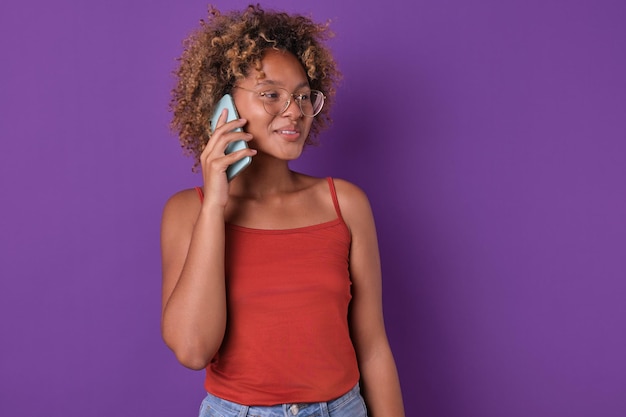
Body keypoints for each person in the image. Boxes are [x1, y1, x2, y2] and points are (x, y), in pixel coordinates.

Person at [161, 4, 405, 417]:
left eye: (303, 96)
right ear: (223, 103)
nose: (294, 110)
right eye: (271, 94)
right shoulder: (190, 211)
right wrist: (216, 204)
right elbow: (192, 348)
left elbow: (374, 347)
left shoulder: (344, 203)